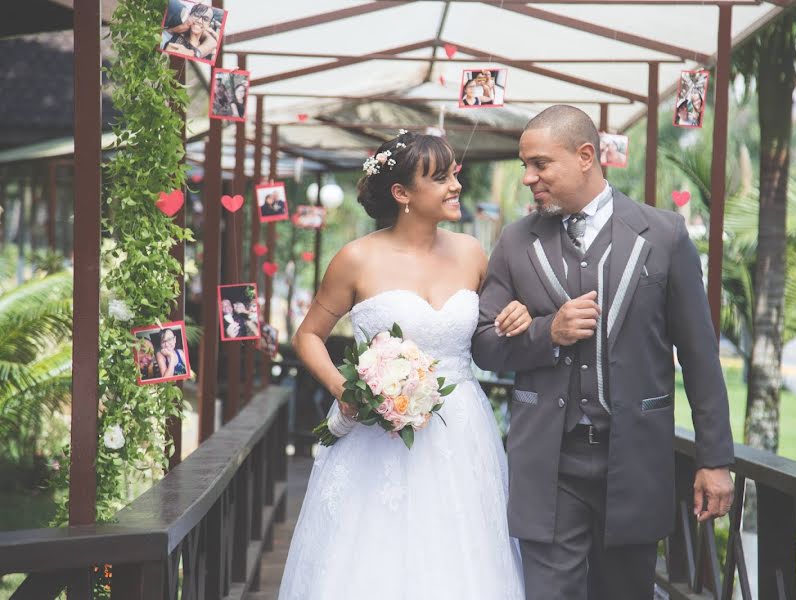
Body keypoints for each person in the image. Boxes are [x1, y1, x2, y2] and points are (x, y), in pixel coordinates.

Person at [471, 105, 735, 600]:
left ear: (586, 156)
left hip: (635, 460)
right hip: (548, 463)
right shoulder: (515, 241)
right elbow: (484, 345)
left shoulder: (664, 235)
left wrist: (715, 459)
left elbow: (700, 357)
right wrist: (549, 331)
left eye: (540, 164)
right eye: (525, 165)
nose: (528, 177)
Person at [277, 130, 531, 599]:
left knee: (463, 554)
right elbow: (307, 335)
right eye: (440, 178)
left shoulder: (473, 253)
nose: (455, 185)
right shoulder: (356, 259)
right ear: (402, 194)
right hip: (379, 437)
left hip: (463, 431)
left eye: (454, 173)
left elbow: (493, 331)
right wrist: (345, 391)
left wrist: (519, 315)